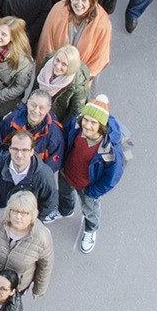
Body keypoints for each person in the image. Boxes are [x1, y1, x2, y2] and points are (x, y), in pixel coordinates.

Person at [56, 97, 127, 254]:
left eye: (93, 123)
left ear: (101, 125)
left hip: (87, 186)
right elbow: (65, 137)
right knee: (65, 196)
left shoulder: (109, 149)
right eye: (86, 120)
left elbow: (112, 177)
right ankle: (65, 211)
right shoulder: (76, 126)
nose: (87, 126)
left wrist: (93, 192)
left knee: (90, 210)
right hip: (66, 173)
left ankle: (91, 229)